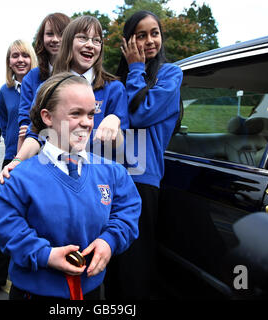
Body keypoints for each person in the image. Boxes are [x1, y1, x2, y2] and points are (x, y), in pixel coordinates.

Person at [0, 72, 141, 300]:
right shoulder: (19, 178)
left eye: (91, 114)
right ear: (47, 117)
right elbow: (8, 227)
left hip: (90, 291)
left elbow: (128, 211)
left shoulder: (112, 172)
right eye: (76, 113)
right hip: (34, 293)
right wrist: (45, 255)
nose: (86, 122)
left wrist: (109, 241)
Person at [104, 11, 183, 300]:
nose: (149, 41)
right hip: (109, 174)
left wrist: (136, 68)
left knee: (135, 261)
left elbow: (140, 113)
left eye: (155, 33)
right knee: (108, 257)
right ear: (127, 41)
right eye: (141, 35)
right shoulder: (115, 81)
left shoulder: (171, 74)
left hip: (142, 177)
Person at [0, 15, 128, 183]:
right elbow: (35, 134)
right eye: (82, 37)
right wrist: (16, 162)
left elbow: (120, 149)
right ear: (68, 43)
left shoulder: (114, 89)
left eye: (96, 40)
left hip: (97, 181)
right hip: (53, 178)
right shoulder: (47, 87)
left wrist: (114, 120)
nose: (90, 44)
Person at [0, 39, 38, 296]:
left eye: (24, 55)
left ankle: (31, 272)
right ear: (9, 62)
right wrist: (13, 148)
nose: (20, 60)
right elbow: (5, 124)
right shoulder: (5, 92)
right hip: (12, 157)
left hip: (39, 157)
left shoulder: (42, 82)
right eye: (14, 56)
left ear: (32, 58)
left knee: (36, 217)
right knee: (5, 215)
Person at [17, 12, 71, 152]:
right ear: (42, 37)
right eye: (49, 34)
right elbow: (25, 119)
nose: (55, 39)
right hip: (38, 147)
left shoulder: (77, 75)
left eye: (61, 34)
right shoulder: (31, 77)